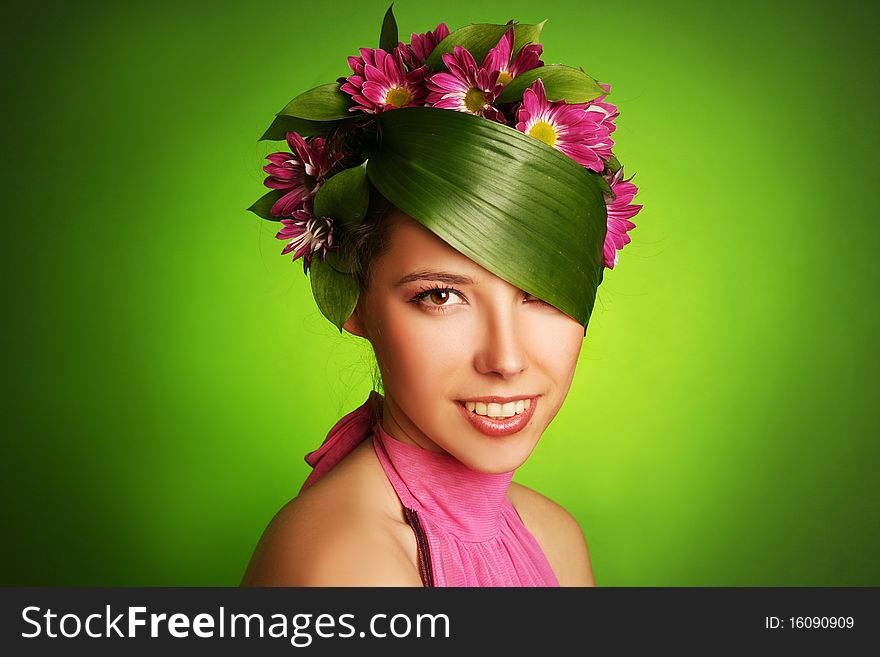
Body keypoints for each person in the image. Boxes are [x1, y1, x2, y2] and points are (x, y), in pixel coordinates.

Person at [241, 9, 642, 587]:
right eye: (440, 296)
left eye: (542, 293)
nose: (506, 359)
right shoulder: (345, 565)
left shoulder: (555, 537)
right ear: (354, 297)